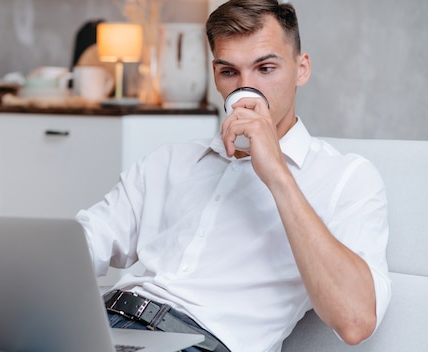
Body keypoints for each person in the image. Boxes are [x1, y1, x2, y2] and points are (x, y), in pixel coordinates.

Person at [75, 0, 391, 351]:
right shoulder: (168, 162)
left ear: (302, 69)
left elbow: (355, 320)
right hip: (102, 326)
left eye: (265, 69)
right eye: (230, 72)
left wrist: (277, 174)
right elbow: (80, 244)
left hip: (199, 344)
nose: (246, 90)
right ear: (216, 76)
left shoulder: (346, 177)